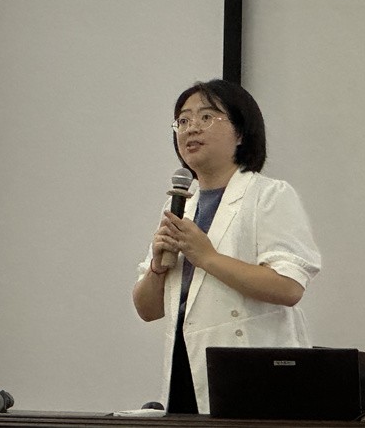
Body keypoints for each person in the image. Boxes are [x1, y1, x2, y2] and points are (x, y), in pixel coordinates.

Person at [132, 79, 321, 414]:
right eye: (183, 120)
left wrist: (207, 257)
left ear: (241, 132)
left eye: (206, 117)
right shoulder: (181, 205)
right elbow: (148, 310)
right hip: (185, 374)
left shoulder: (268, 195)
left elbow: (289, 287)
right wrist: (157, 270)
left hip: (254, 379)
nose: (191, 128)